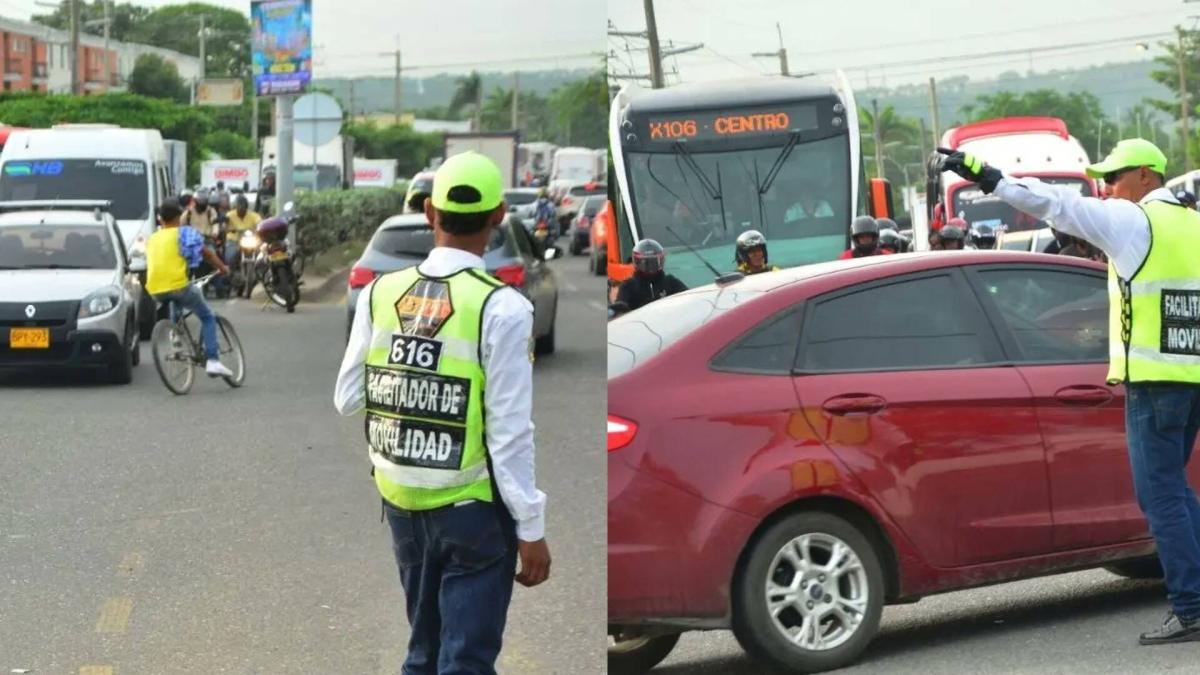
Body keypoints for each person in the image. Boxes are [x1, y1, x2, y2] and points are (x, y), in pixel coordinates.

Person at [940, 138, 1200, 645]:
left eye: (1116, 175)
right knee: (1176, 490)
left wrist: (987, 174)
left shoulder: (1134, 221)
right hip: (1192, 379)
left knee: (1160, 495)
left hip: (1154, 384)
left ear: (1147, 175)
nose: (1107, 186)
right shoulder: (1192, 223)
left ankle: (1191, 609)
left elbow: (1055, 204)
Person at [334, 152, 550, 673]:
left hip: (403, 504)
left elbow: (347, 397)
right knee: (466, 661)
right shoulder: (502, 307)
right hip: (472, 510)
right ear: (498, 216)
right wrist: (531, 528)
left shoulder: (380, 293)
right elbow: (509, 433)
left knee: (424, 653)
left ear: (430, 212)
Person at [144, 199, 233, 377]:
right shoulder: (183, 233)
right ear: (179, 217)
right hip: (178, 285)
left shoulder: (152, 238)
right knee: (208, 317)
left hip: (154, 290)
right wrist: (222, 268)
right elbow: (206, 253)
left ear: (160, 219)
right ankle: (213, 361)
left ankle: (177, 345)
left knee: (175, 308)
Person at [615, 239, 687, 311]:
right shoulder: (628, 286)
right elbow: (619, 312)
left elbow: (689, 298)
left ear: (661, 260)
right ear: (637, 262)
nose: (651, 266)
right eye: (646, 262)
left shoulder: (670, 282)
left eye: (654, 262)